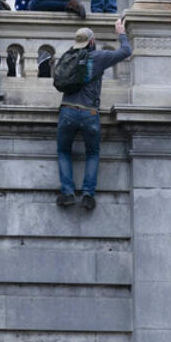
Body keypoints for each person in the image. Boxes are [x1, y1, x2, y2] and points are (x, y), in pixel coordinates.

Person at [56, 19, 132, 211]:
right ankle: (88, 195)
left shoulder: (68, 57)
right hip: (89, 112)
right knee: (93, 153)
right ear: (91, 41)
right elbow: (126, 52)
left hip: (67, 110)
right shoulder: (98, 57)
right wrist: (121, 32)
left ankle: (67, 193)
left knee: (64, 151)